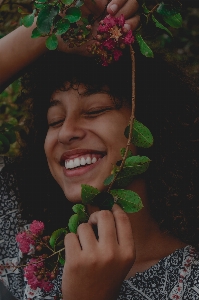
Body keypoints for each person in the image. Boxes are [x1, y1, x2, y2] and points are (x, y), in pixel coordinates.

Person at [1, 1, 199, 299]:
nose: (66, 132)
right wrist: (48, 30)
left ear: (150, 127)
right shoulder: (23, 240)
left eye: (95, 110)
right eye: (54, 120)